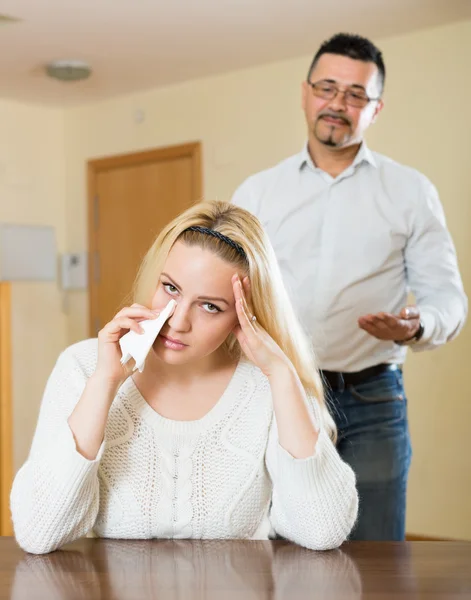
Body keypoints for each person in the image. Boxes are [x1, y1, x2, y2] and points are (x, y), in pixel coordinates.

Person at [10, 201, 358, 555]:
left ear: (244, 315)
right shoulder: (83, 367)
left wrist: (282, 375)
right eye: (171, 289)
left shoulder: (270, 385)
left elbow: (322, 531)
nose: (177, 322)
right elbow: (40, 532)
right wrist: (104, 383)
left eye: (210, 306)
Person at [231, 33, 467, 541]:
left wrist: (417, 323)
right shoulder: (258, 191)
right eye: (327, 87)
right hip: (279, 389)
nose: (338, 103)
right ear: (305, 93)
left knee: (376, 553)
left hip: (373, 398)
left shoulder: (410, 192)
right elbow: (230, 284)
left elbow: (448, 298)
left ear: (376, 109)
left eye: (356, 94)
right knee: (275, 547)